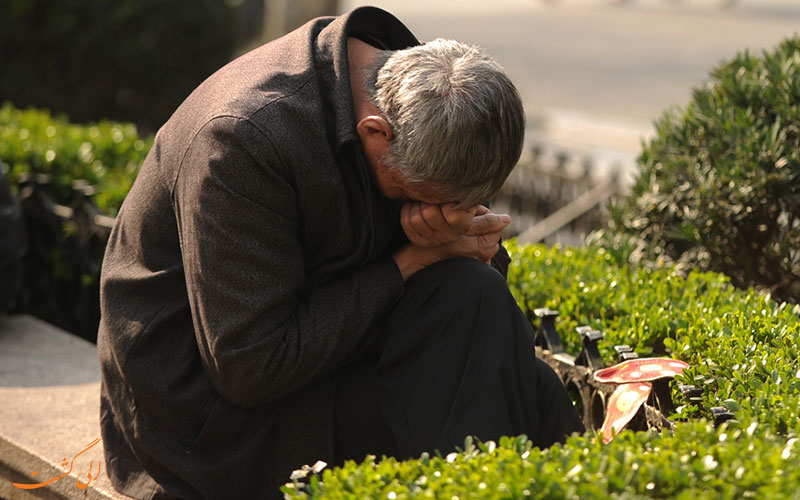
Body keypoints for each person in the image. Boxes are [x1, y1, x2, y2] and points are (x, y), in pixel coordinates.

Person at [97, 6, 584, 499]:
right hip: (207, 416)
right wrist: (412, 261)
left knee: (503, 343)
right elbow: (250, 367)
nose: (439, 215)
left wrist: (467, 244)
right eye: (428, 200)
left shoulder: (429, 106)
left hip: (325, 348)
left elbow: (462, 268)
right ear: (377, 133)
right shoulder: (242, 140)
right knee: (479, 389)